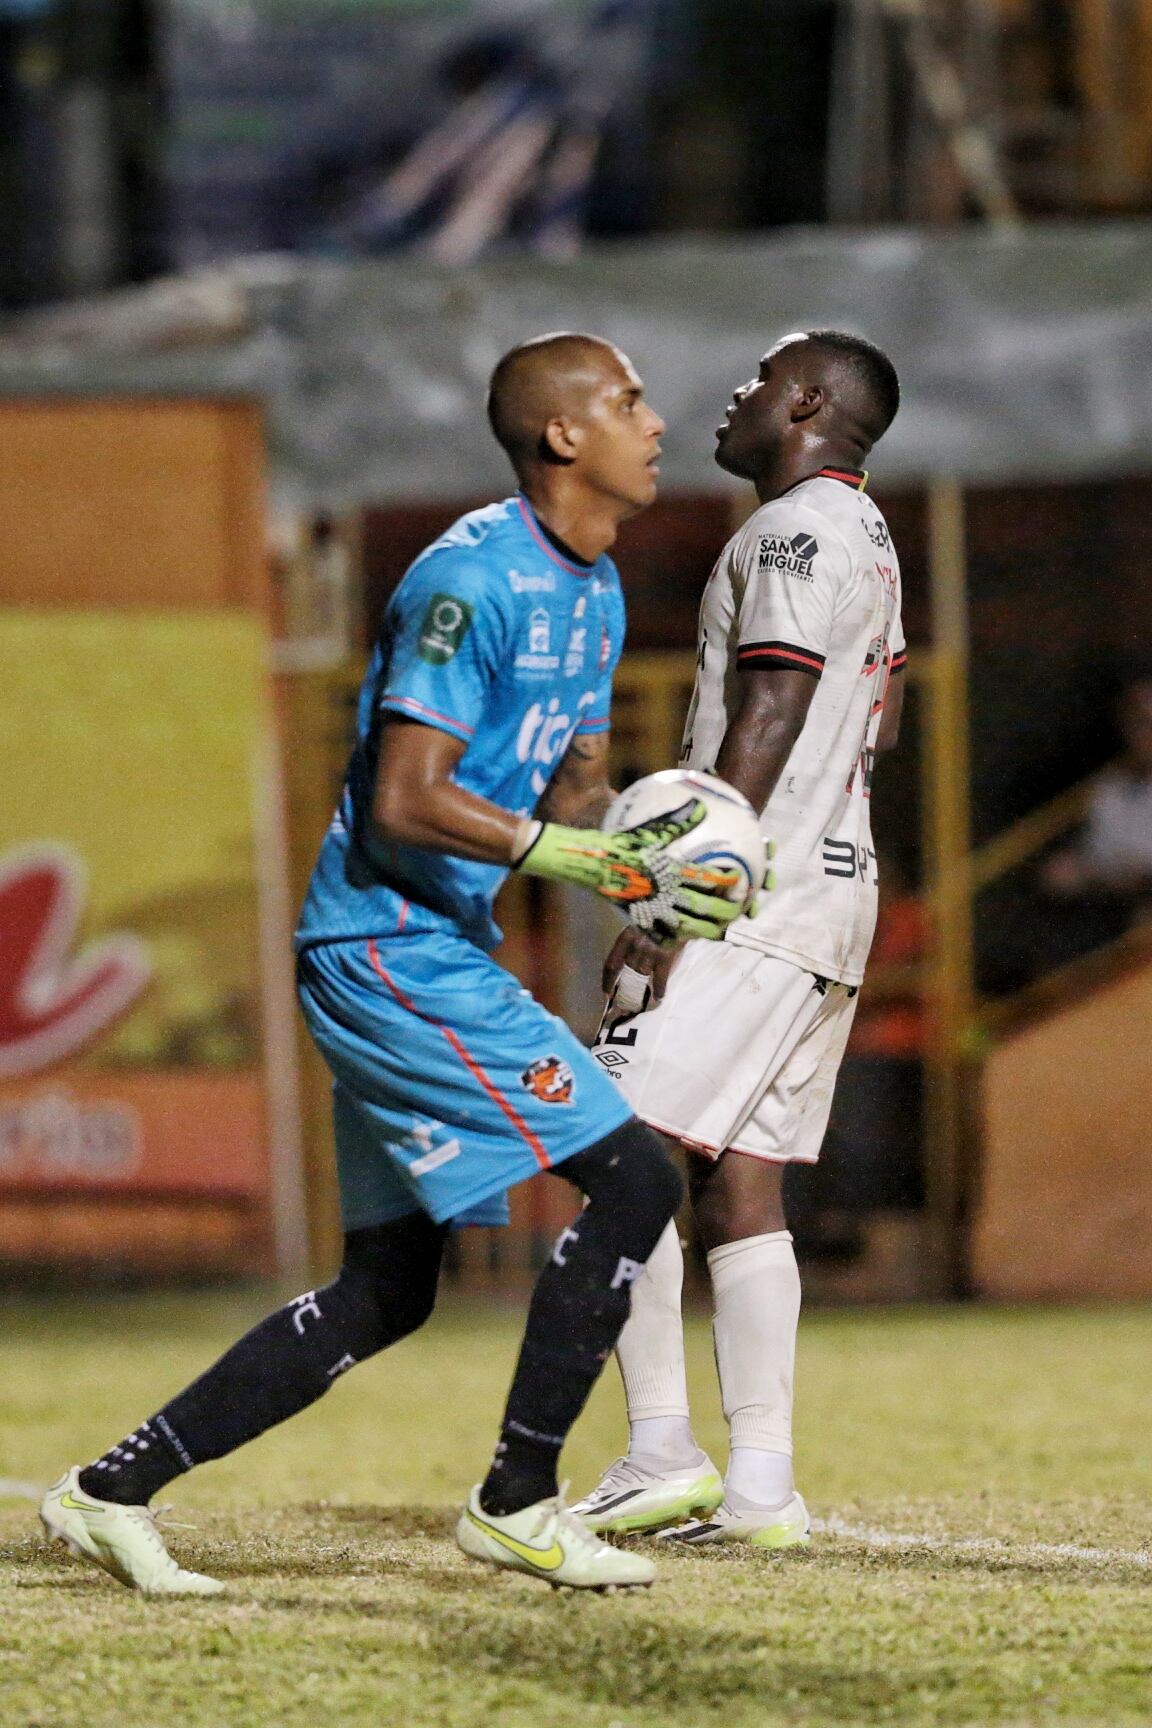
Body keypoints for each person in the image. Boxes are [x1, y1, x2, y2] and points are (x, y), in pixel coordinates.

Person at [39, 332, 751, 1595]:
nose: (656, 423)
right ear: (564, 435)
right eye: (630, 402)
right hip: (387, 948)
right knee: (636, 1180)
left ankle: (109, 1491)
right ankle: (517, 1501)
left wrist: (656, 864)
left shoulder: (594, 589)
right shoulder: (466, 583)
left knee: (387, 1288)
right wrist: (582, 861)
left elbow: (575, 794)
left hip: (425, 946)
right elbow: (404, 801)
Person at [573, 329, 905, 1546]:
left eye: (760, 379)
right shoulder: (867, 531)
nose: (735, 394)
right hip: (833, 891)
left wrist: (676, 905)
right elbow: (882, 720)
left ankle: (660, 1448)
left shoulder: (789, 530)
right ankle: (762, 1484)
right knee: (740, 1182)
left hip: (750, 903)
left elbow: (770, 705)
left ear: (806, 401)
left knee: (613, 1150)